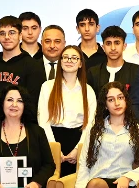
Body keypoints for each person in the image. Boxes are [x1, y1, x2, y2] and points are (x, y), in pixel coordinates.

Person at [0, 15, 44, 127]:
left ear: (20, 35)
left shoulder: (33, 66)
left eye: (12, 33)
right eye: (2, 33)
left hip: (21, 129)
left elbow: (34, 103)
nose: (7, 37)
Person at [39, 45, 96, 176]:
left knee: (76, 183)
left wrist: (78, 149)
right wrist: (53, 147)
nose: (69, 60)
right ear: (60, 61)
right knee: (52, 181)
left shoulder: (88, 90)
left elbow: (90, 124)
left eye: (74, 58)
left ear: (80, 64)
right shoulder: (47, 87)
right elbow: (43, 121)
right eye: (65, 57)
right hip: (52, 138)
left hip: (78, 140)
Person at [88, 25, 139, 95]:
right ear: (103, 47)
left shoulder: (136, 71)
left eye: (117, 43)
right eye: (108, 43)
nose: (113, 48)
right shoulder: (93, 73)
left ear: (124, 46)